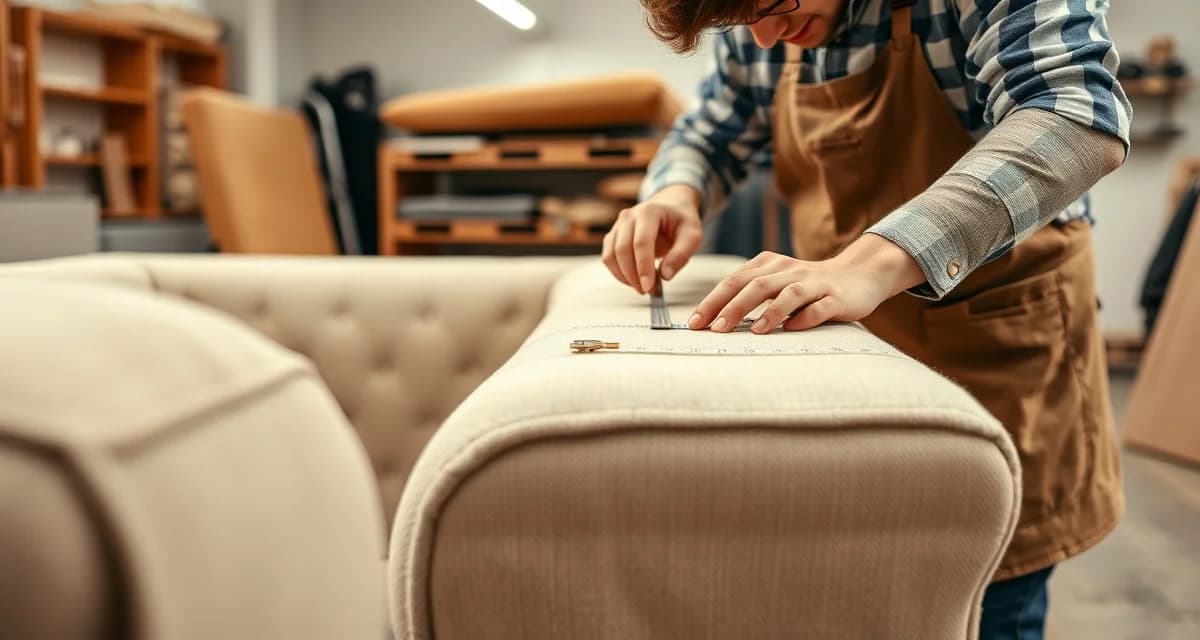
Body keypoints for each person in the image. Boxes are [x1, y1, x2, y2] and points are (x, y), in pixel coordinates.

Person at [602, 1, 1130, 637]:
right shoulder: (760, 21)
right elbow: (711, 130)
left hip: (997, 342)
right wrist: (674, 193)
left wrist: (870, 266)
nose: (767, 39)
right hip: (849, 351)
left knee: (986, 599)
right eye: (744, 24)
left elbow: (1076, 116)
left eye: (774, 5)